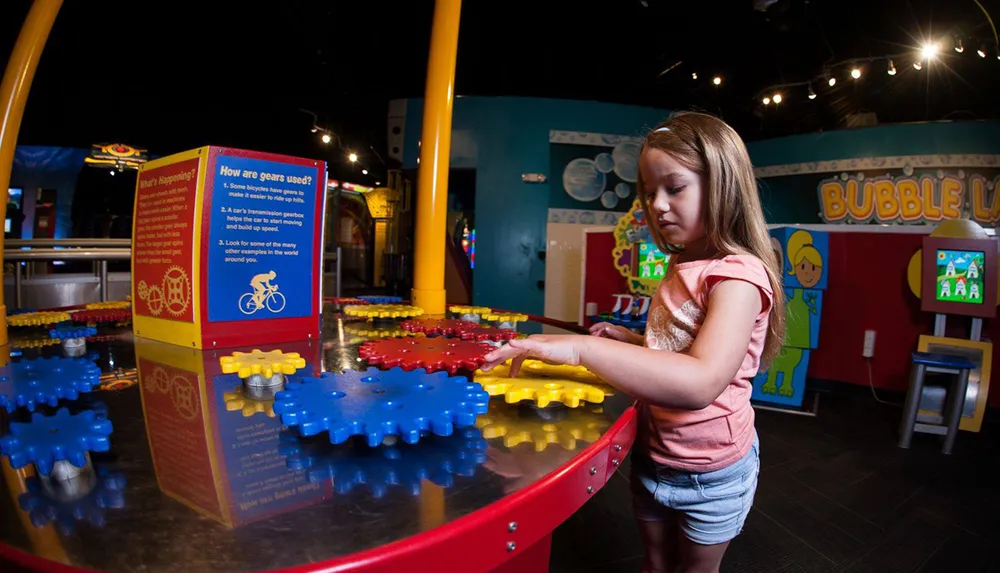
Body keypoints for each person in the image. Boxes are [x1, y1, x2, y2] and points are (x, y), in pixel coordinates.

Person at [482, 112, 785, 573]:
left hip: (712, 473)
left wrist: (585, 350)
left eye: (675, 187)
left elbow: (700, 379)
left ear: (723, 184)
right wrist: (634, 339)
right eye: (648, 191)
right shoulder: (682, 264)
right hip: (654, 454)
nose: (657, 205)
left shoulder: (738, 277)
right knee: (656, 563)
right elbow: (681, 346)